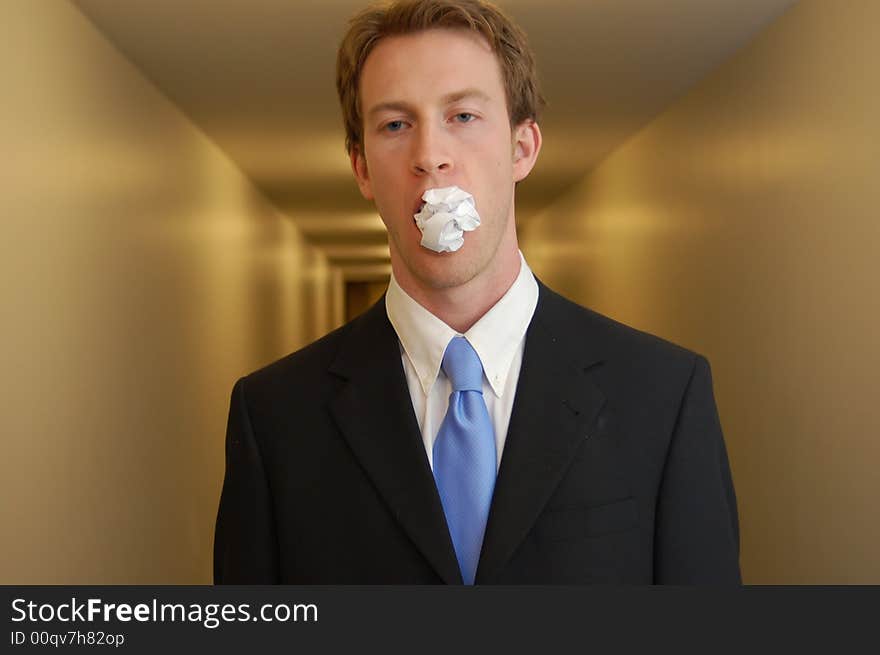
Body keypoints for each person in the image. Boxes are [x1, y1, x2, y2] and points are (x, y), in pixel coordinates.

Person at [213, 0, 741, 584]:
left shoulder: (664, 395)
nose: (430, 157)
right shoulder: (276, 417)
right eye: (395, 124)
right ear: (361, 168)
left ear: (522, 148)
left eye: (462, 116)